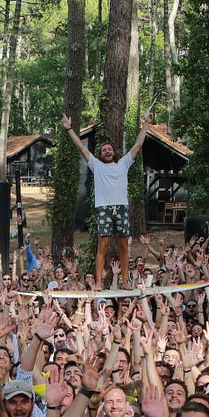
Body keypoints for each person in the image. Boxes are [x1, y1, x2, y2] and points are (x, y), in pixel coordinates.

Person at [61, 109, 152, 289]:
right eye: (104, 150)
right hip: (104, 208)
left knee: (123, 247)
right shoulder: (96, 165)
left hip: (122, 207)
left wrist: (147, 123)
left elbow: (138, 144)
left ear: (114, 152)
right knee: (102, 247)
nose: (107, 151)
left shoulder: (124, 163)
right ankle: (98, 282)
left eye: (109, 149)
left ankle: (124, 282)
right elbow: (81, 147)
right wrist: (69, 128)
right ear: (100, 154)